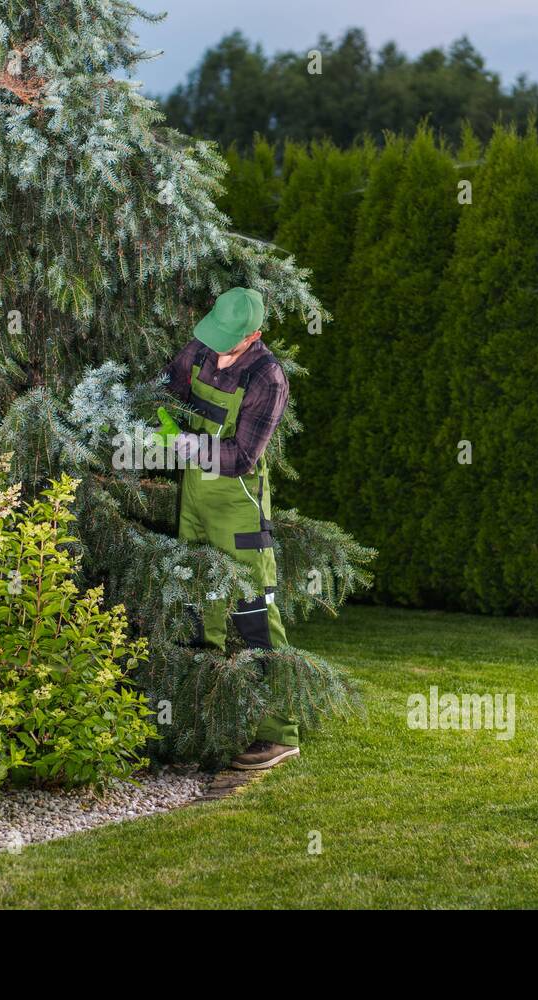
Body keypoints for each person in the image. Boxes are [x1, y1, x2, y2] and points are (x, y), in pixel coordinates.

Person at [163, 286, 299, 770]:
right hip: (194, 502)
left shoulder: (268, 377)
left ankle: (278, 734)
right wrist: (156, 418)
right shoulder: (200, 347)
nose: (217, 348)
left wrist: (185, 447)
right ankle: (200, 732)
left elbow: (242, 457)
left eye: (230, 341)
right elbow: (170, 393)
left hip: (238, 507)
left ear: (254, 335)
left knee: (253, 616)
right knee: (198, 612)